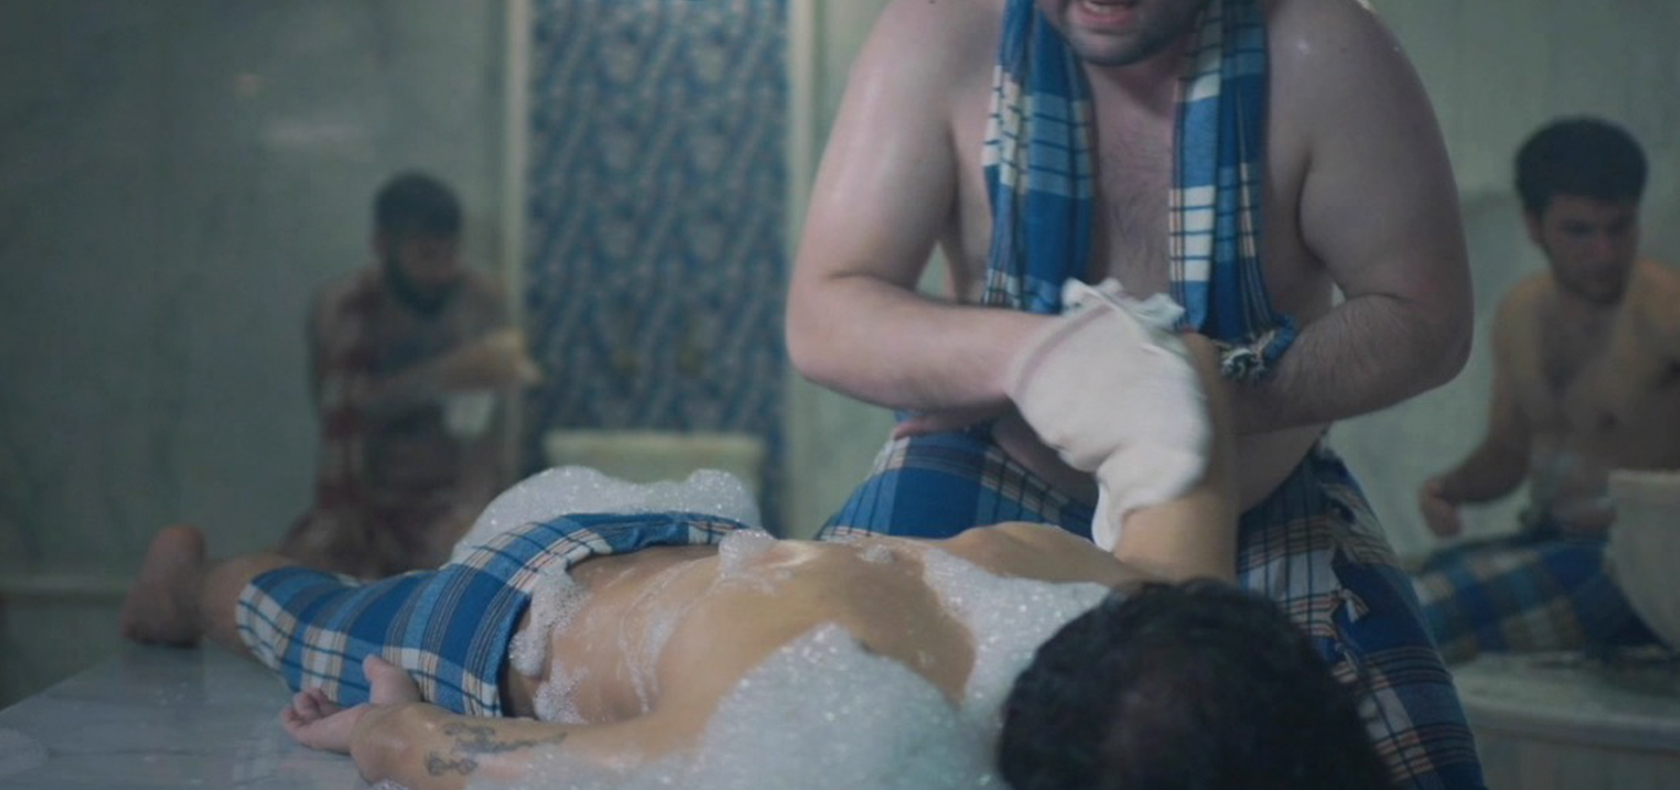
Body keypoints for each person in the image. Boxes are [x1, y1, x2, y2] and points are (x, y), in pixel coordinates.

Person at [783, 0, 1479, 787]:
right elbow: (826, 310)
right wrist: (1051, 365)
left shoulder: (1326, 43)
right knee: (811, 733)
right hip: (995, 466)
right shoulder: (937, 32)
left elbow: (1427, 316)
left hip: (1258, 488)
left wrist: (1191, 404)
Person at [119, 334, 1393, 790]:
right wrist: (389, 725)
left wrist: (1139, 351)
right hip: (510, 612)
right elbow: (472, 757)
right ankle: (187, 583)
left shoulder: (1142, 608)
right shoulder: (794, 741)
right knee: (305, 610)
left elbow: (1178, 416)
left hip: (692, 551)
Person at [1412, 116, 1680, 662]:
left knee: (1422, 615)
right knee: (1384, 591)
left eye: (1619, 227)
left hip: (1634, 560)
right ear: (1534, 225)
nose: (1604, 252)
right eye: (1579, 231)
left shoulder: (1662, 309)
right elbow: (1510, 451)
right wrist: (1450, 488)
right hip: (1548, 538)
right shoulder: (1521, 312)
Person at [279, 170, 540, 579]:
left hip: (448, 495)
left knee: (473, 554)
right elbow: (338, 413)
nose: (442, 272)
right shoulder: (342, 309)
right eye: (425, 256)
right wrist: (442, 376)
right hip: (366, 497)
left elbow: (492, 435)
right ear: (383, 245)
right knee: (304, 567)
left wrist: (473, 512)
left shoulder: (480, 299)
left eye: (450, 253)